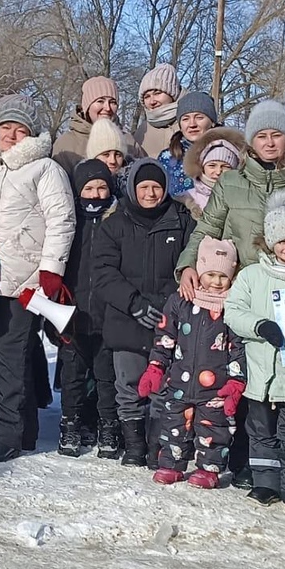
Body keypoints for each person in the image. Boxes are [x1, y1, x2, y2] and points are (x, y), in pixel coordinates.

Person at [0, 93, 75, 461]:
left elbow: (61, 219)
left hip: (26, 280)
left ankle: (6, 435)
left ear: (30, 135)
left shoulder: (44, 169)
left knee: (10, 358)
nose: (12, 136)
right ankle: (25, 428)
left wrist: (51, 269)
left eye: (20, 130)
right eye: (5, 129)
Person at [224, 190, 285, 522]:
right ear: (270, 242)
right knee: (261, 432)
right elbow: (233, 311)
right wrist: (260, 325)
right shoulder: (253, 276)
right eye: (282, 241)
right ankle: (266, 481)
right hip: (258, 376)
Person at [92, 158, 195, 468]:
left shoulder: (181, 219)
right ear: (133, 189)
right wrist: (133, 303)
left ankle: (158, 445)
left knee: (164, 386)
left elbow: (190, 263)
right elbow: (103, 272)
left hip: (169, 318)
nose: (150, 193)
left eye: (156, 187)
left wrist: (168, 305)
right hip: (126, 317)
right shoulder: (115, 223)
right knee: (129, 385)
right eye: (144, 187)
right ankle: (134, 445)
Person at [178, 99, 285, 297]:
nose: (269, 143)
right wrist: (187, 265)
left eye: (276, 135)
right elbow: (207, 228)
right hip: (238, 284)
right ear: (252, 141)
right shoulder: (229, 182)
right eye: (261, 136)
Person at [141, 236, 246, 488]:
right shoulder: (181, 300)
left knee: (213, 429)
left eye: (222, 277)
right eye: (210, 274)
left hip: (216, 386)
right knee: (174, 425)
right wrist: (156, 368)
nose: (216, 282)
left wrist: (236, 381)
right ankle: (171, 465)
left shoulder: (233, 306)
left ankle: (208, 469)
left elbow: (238, 347)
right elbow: (165, 337)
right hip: (179, 381)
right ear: (199, 272)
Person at [58, 161, 120, 458]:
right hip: (74, 312)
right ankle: (71, 421)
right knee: (73, 375)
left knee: (106, 376)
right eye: (89, 188)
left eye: (101, 187)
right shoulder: (71, 222)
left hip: (108, 313)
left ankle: (108, 424)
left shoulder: (117, 220)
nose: (95, 194)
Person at [52, 77, 122, 173]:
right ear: (87, 106)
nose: (108, 108)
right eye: (100, 101)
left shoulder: (129, 141)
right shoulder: (66, 144)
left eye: (113, 102)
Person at [158, 91, 218, 197]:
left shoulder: (227, 153)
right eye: (185, 119)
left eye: (199, 117)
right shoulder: (167, 157)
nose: (192, 124)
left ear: (212, 121)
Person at [178, 127, 245, 218]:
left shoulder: (243, 198)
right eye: (212, 166)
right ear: (202, 167)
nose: (218, 172)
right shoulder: (187, 198)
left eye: (225, 166)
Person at [135, 63, 181, 158]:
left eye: (157, 93)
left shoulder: (189, 123)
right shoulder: (142, 131)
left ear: (172, 94)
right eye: (147, 96)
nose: (152, 101)